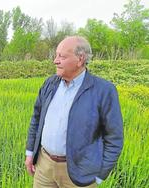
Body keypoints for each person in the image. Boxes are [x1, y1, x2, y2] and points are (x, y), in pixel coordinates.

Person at [25, 36, 123, 188]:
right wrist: (30, 153)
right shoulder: (50, 84)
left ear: (80, 59)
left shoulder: (103, 91)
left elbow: (114, 137)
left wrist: (99, 176)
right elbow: (36, 119)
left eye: (62, 56)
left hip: (80, 174)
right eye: (56, 55)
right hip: (44, 166)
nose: (55, 61)